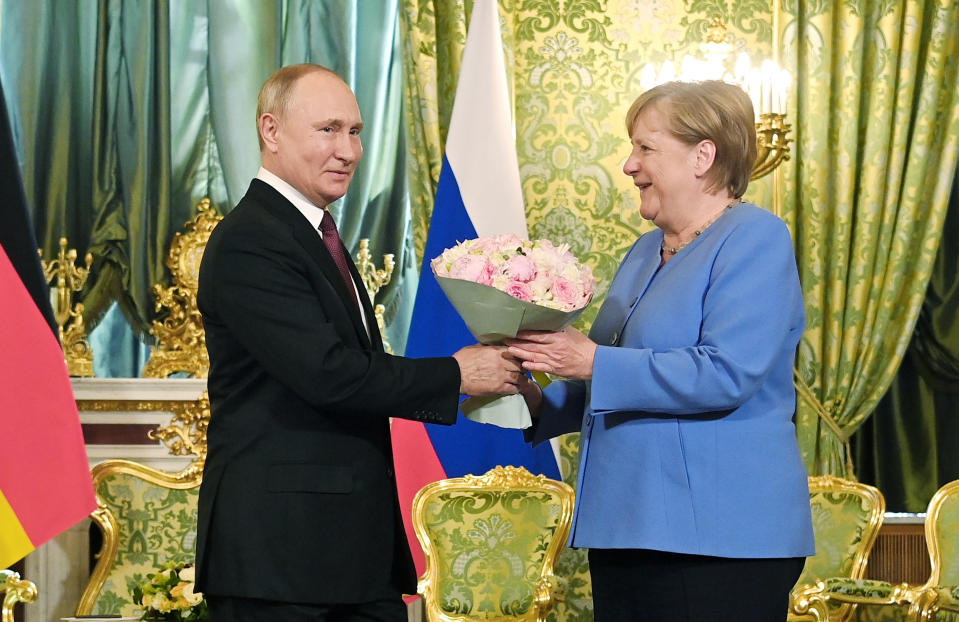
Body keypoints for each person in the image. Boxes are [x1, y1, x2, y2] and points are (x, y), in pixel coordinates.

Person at [195, 63, 524, 622]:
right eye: (328, 129)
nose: (348, 150)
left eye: (355, 131)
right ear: (270, 131)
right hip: (284, 560)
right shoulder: (251, 240)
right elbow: (328, 372)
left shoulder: (311, 230)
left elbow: (353, 370)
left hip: (338, 555)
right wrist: (456, 374)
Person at [507, 80, 815, 622]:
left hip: (720, 539)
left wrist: (591, 362)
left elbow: (725, 372)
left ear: (703, 156)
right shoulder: (646, 249)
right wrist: (531, 398)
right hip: (628, 526)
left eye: (646, 148)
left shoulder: (756, 238)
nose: (629, 165)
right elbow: (601, 375)